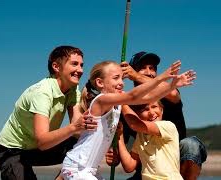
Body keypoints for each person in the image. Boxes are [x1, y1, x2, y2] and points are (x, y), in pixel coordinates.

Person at [61, 60, 196, 180]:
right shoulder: (101, 100)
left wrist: (171, 86)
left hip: (90, 169)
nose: (121, 83)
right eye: (116, 78)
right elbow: (133, 96)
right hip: (78, 166)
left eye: (121, 79)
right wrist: (162, 77)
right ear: (100, 83)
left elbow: (147, 98)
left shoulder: (117, 105)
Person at [0, 45, 98, 180]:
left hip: (35, 149)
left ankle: (63, 177)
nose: (80, 70)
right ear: (56, 67)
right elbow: (43, 141)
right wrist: (75, 127)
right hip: (12, 152)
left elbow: (78, 130)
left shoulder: (73, 89)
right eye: (74, 64)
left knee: (83, 142)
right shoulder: (42, 93)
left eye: (81, 65)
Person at [116, 51, 207, 180]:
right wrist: (113, 155)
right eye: (143, 68)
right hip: (146, 166)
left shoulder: (167, 93)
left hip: (174, 161)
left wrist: (136, 77)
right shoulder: (127, 109)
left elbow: (173, 93)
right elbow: (123, 158)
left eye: (152, 68)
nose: (149, 72)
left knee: (191, 145)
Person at [118, 101, 183, 179]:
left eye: (154, 107)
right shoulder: (140, 136)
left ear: (161, 110)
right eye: (145, 109)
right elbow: (129, 166)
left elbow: (135, 124)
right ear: (137, 115)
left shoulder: (168, 126)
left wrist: (121, 102)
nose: (151, 113)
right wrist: (120, 136)